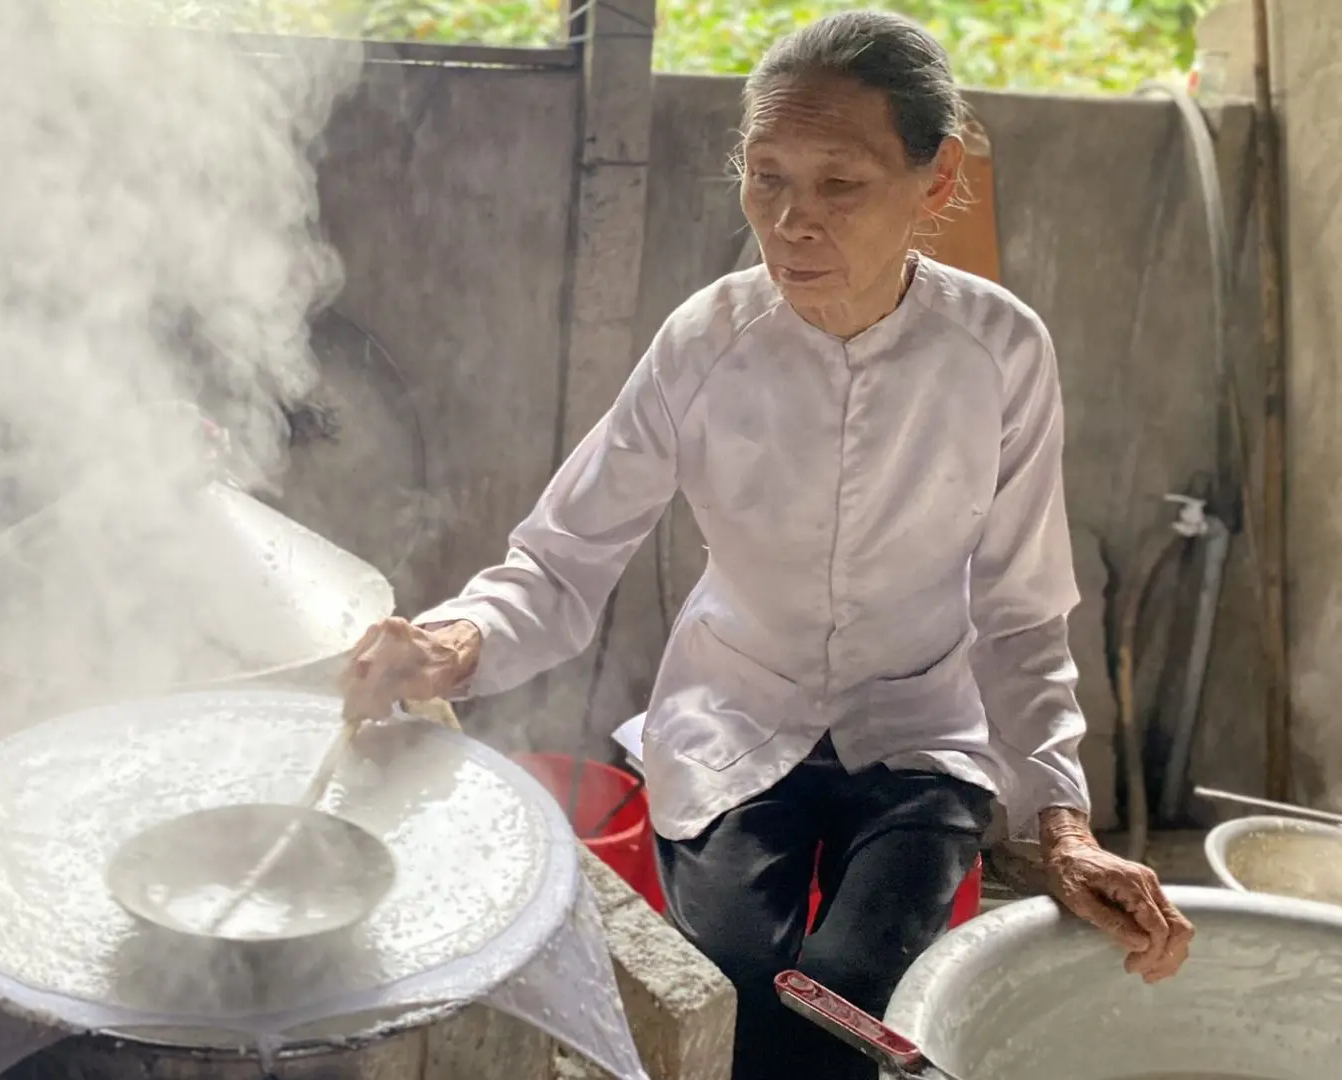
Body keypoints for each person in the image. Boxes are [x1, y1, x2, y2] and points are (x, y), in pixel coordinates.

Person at [337, 11, 1194, 1080]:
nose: (790, 222)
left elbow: (1020, 613)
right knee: (731, 985)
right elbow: (563, 559)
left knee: (846, 999)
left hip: (923, 732)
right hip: (736, 715)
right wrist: (456, 641)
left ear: (935, 185)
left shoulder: (1002, 354)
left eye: (839, 185)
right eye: (767, 176)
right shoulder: (705, 344)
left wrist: (1062, 823)